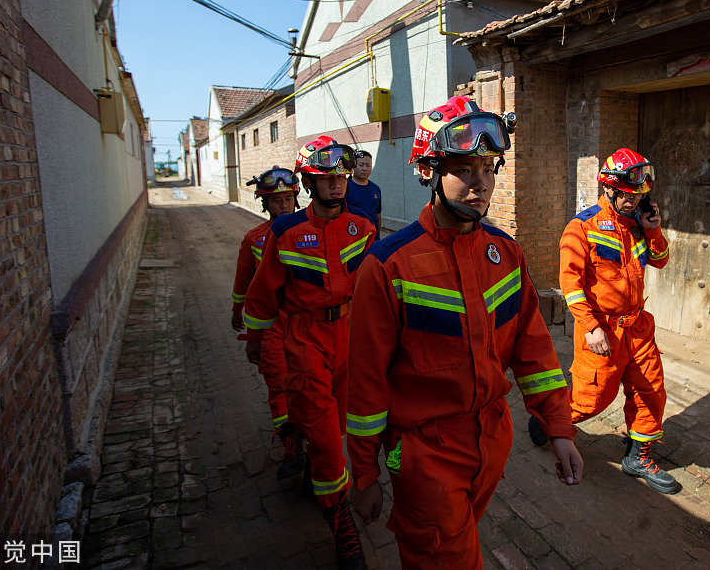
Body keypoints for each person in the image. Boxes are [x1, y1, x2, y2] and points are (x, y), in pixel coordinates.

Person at [346, 96, 583, 569]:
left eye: (489, 168)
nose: (481, 185)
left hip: (493, 440)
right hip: (424, 456)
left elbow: (533, 349)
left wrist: (558, 427)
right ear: (429, 172)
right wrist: (366, 473)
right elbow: (367, 382)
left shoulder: (506, 254)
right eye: (464, 170)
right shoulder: (388, 265)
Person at [242, 136, 374, 570]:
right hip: (304, 341)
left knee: (345, 424)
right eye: (326, 177)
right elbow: (261, 296)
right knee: (324, 437)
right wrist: (258, 340)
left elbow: (378, 289)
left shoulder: (364, 228)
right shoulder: (285, 233)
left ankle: (312, 460)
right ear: (308, 181)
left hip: (352, 336)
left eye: (340, 177)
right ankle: (341, 525)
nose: (336, 185)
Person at [533, 148, 676, 494]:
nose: (634, 199)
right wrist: (590, 327)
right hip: (602, 330)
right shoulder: (581, 227)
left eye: (639, 194)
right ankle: (546, 420)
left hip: (638, 328)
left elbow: (660, 261)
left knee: (650, 391)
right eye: (627, 194)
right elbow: (570, 284)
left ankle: (637, 457)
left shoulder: (639, 223)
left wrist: (653, 230)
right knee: (591, 400)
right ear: (609, 189)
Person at [230, 166, 303, 481]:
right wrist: (238, 312)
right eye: (277, 201)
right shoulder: (254, 238)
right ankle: (291, 448)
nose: (284, 206)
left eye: (288, 199)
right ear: (265, 203)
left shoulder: (307, 232)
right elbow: (244, 280)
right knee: (279, 386)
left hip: (304, 324)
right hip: (271, 326)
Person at [346, 149, 382, 232]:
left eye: (368, 165)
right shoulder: (344, 188)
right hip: (352, 238)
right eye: (361, 165)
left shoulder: (376, 189)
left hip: (373, 238)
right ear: (353, 165)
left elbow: (378, 215)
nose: (364, 168)